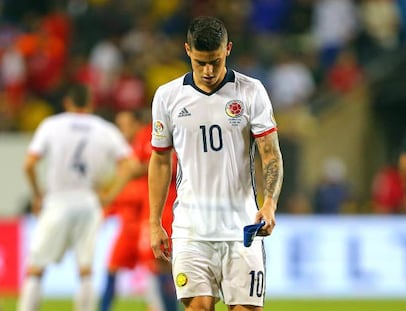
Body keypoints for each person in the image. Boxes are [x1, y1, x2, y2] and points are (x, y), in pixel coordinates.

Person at [148, 16, 284, 311]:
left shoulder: (251, 91)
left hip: (242, 230)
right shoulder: (167, 97)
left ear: (228, 50)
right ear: (187, 51)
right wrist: (155, 221)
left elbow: (270, 154)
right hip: (191, 230)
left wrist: (270, 203)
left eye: (215, 61)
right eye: (200, 63)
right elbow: (160, 159)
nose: (208, 71)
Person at [18, 83, 137, 311]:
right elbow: (130, 165)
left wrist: (37, 195)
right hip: (89, 202)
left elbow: (29, 164)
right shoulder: (104, 129)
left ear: (67, 103)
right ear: (91, 103)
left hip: (57, 201)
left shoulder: (52, 126)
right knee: (85, 269)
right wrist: (110, 195)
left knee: (36, 267)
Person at [99, 109, 177, 311]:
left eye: (125, 125)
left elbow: (157, 166)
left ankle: (164, 307)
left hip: (157, 214)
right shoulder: (131, 149)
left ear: (136, 123)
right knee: (128, 266)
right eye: (119, 126)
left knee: (159, 263)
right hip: (135, 220)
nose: (122, 130)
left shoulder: (149, 137)